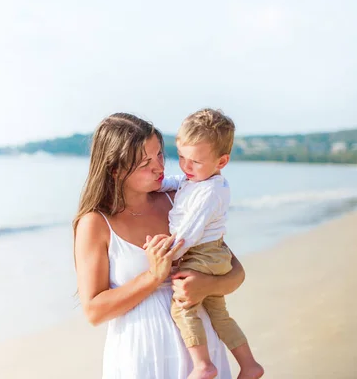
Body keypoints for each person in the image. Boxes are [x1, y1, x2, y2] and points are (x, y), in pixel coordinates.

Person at [73, 112, 246, 379]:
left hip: (202, 354)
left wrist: (206, 285)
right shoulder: (95, 223)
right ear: (115, 169)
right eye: (145, 163)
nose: (159, 167)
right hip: (142, 356)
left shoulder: (182, 199)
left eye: (160, 155)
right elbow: (94, 311)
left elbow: (236, 272)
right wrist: (153, 276)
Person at [158, 109, 264, 379]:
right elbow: (174, 182)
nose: (186, 167)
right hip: (214, 254)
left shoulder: (210, 191)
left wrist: (170, 255)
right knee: (219, 314)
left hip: (202, 253)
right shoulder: (197, 179)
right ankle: (249, 364)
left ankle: (203, 365)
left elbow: (189, 232)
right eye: (181, 157)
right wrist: (154, 186)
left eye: (195, 161)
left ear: (222, 161)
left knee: (182, 306)